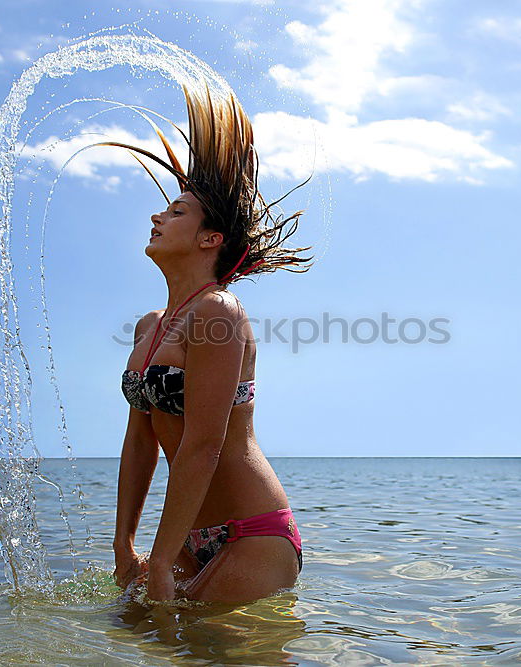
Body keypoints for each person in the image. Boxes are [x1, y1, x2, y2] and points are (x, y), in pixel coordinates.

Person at [108, 84, 312, 603]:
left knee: (201, 653)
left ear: (210, 239)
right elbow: (140, 440)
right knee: (131, 635)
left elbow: (204, 444)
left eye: (175, 213)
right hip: (188, 537)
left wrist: (158, 560)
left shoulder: (218, 312)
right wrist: (124, 544)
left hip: (252, 533)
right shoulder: (150, 326)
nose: (157, 217)